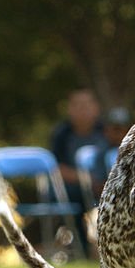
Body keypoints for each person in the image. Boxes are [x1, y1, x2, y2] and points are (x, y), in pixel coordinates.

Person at [49, 89, 108, 252]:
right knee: (69, 199)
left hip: (104, 184)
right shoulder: (61, 134)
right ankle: (81, 251)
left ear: (96, 108)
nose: (83, 109)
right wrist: (87, 180)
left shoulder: (106, 131)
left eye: (87, 105)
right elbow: (56, 168)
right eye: (77, 105)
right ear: (69, 109)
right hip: (72, 187)